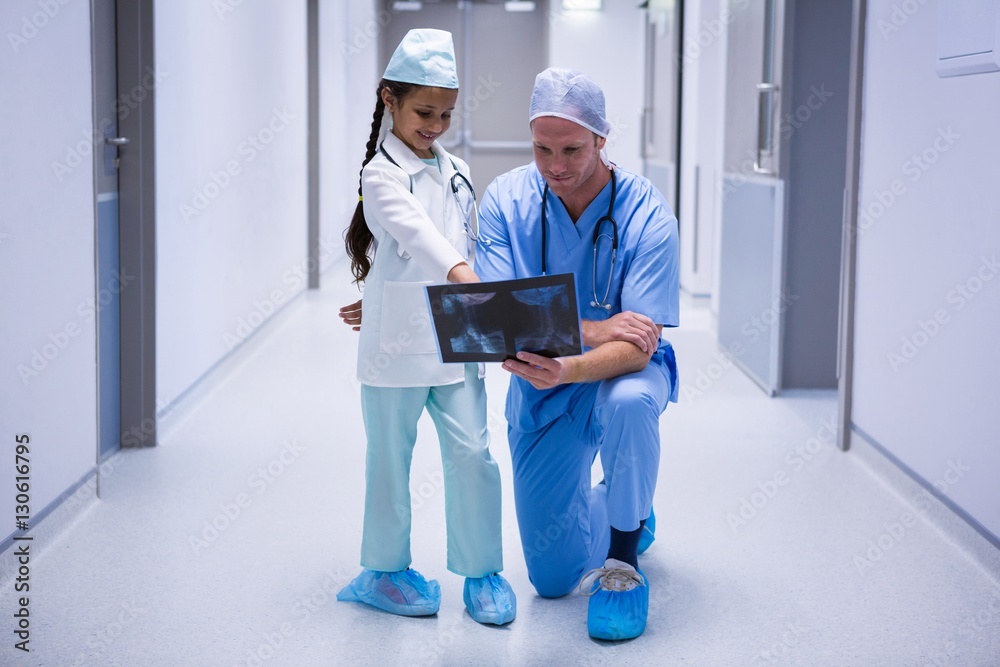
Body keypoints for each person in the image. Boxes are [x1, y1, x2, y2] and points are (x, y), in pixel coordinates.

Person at [473, 68, 679, 640]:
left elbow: (638, 349)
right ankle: (627, 508)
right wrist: (595, 329)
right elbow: (496, 314)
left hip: (615, 375)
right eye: (542, 149)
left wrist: (570, 360)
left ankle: (623, 563)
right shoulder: (506, 200)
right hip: (543, 385)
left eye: (572, 149)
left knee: (633, 402)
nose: (555, 165)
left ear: (602, 140)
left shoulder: (647, 215)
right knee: (554, 578)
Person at [335, 28, 516, 626]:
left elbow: (462, 242)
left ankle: (482, 572)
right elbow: (419, 237)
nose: (436, 125)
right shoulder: (380, 175)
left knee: (473, 453)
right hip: (397, 347)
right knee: (389, 458)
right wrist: (450, 289)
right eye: (424, 112)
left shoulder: (458, 170)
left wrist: (465, 291)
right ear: (389, 99)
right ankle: (383, 572)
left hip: (455, 337)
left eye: (445, 113)